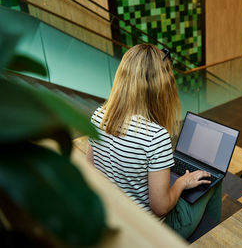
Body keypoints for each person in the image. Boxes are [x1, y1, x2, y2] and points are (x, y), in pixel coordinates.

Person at [87, 44, 222, 239]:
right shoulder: (154, 136)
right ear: (161, 87)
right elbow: (160, 208)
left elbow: (90, 170)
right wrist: (182, 182)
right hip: (152, 231)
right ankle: (213, 239)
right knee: (213, 181)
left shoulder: (99, 116)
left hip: (116, 217)